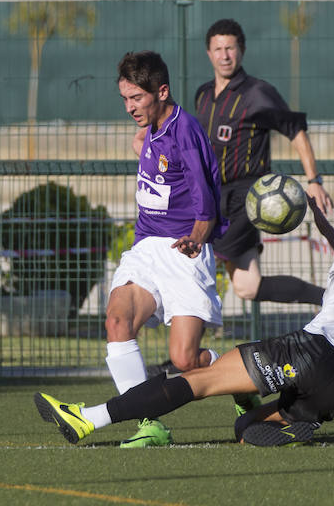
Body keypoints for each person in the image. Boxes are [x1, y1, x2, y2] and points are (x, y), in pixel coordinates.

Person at [34, 169, 334, 447]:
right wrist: (318, 218)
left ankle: (90, 417)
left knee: (200, 380)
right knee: (245, 427)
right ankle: (299, 426)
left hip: (313, 352)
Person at [101, 50, 227, 448]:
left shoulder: (184, 129)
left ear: (162, 91)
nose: (129, 107)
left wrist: (197, 236)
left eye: (136, 98)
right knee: (117, 323)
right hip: (146, 248)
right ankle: (149, 423)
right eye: (124, 99)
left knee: (185, 361)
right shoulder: (151, 130)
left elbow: (206, 199)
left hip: (183, 249)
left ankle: (241, 378)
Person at [193, 18, 334, 307]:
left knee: (198, 255)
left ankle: (188, 346)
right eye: (218, 48)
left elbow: (295, 131)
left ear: (241, 50)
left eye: (230, 48)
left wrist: (314, 181)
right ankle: (333, 299)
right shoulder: (203, 94)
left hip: (247, 197)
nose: (224, 55)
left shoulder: (257, 93)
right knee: (248, 286)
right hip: (212, 196)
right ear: (208, 53)